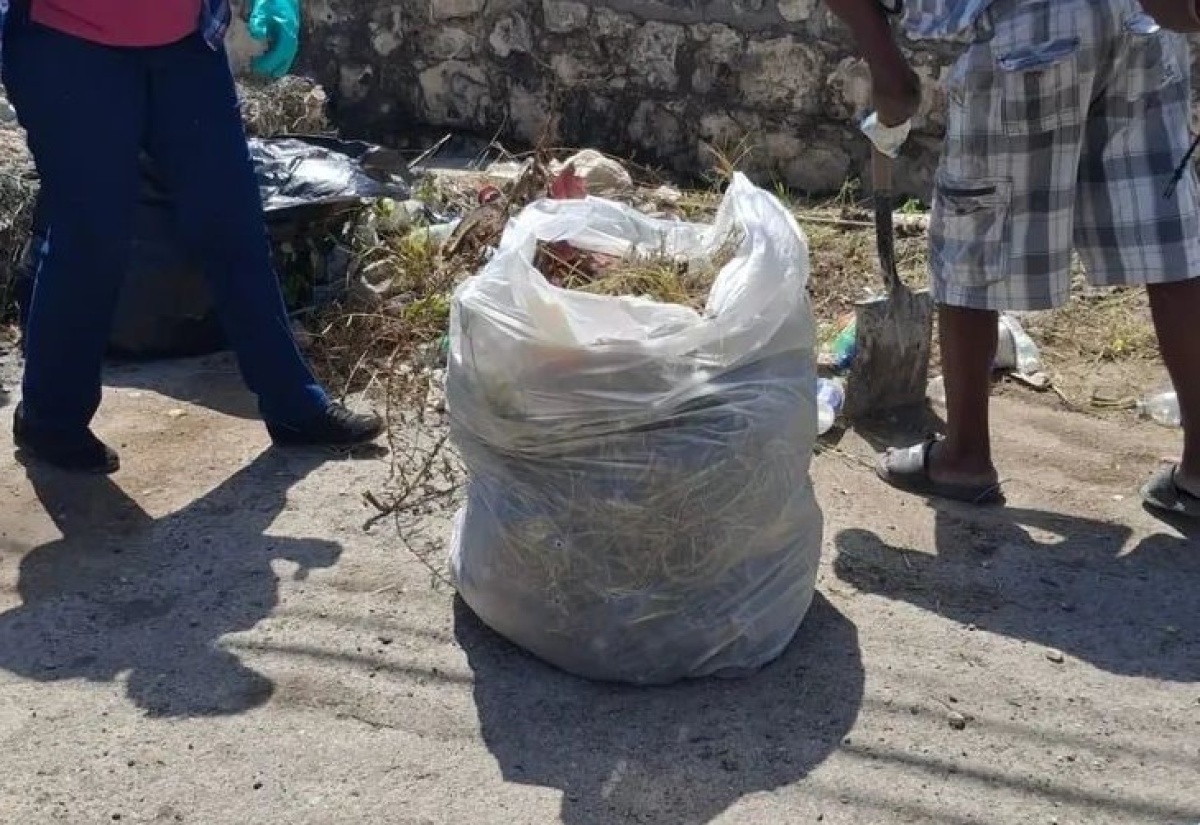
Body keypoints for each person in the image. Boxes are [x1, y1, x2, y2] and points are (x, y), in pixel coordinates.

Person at [828, 0, 1200, 520]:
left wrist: (890, 81)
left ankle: (964, 458)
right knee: (1169, 238)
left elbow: (893, 83)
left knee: (973, 228)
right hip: (1140, 24)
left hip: (1032, 31)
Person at [0, 0, 382, 475]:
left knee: (233, 224)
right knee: (92, 235)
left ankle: (294, 405)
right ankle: (51, 417)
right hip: (70, 43)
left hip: (183, 44)